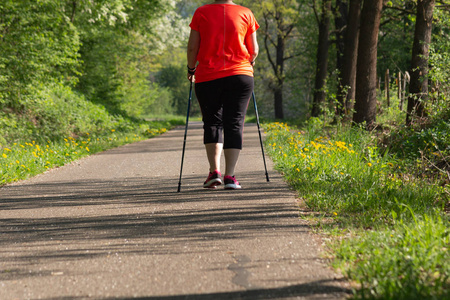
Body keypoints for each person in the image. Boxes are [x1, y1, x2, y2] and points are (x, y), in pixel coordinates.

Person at [187, 0, 259, 190]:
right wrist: (250, 61)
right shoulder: (246, 13)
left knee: (212, 121)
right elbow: (254, 50)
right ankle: (230, 177)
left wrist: (191, 68)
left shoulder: (201, 12)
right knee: (234, 122)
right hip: (240, 75)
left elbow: (193, 47)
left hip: (208, 76)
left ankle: (214, 173)